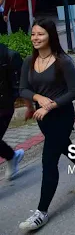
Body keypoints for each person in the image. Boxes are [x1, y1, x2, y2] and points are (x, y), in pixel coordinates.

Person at [18, 19, 75, 231]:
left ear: (50, 37)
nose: (35, 38)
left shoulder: (63, 61)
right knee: (66, 147)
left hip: (62, 116)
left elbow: (74, 91)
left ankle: (41, 213)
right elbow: (23, 90)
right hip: (43, 119)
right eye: (33, 34)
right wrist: (38, 98)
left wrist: (50, 105)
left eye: (40, 34)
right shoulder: (29, 61)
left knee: (49, 161)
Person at [0, 42, 25, 180]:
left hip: (3, 107)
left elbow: (20, 85)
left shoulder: (9, 56)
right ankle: (12, 156)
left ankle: (12, 156)